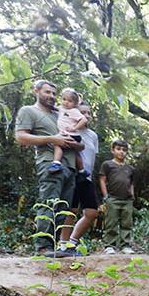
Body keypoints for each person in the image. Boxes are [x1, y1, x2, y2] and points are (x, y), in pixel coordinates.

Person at [14, 80, 82, 255]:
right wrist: (52, 139)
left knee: (63, 208)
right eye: (47, 92)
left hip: (70, 165)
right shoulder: (29, 111)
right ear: (36, 91)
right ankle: (43, 246)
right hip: (50, 163)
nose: (51, 96)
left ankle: (54, 246)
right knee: (49, 203)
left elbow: (79, 138)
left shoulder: (60, 113)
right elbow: (21, 137)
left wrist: (74, 143)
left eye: (53, 93)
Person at [59, 101, 99, 256]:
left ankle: (72, 242)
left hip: (87, 177)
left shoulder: (93, 135)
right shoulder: (68, 130)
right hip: (73, 175)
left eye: (89, 113)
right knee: (71, 210)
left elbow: (91, 157)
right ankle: (63, 246)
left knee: (92, 213)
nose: (86, 115)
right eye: (83, 112)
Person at [99, 140, 136, 254]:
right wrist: (106, 196)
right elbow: (102, 180)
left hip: (127, 200)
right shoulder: (107, 164)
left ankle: (126, 245)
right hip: (112, 198)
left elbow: (131, 183)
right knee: (111, 222)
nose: (121, 152)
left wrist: (132, 195)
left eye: (124, 150)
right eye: (118, 149)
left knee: (127, 223)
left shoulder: (130, 168)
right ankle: (110, 245)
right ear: (112, 150)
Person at [48, 88, 87, 174]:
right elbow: (55, 108)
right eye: (64, 99)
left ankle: (56, 163)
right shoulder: (62, 108)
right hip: (68, 134)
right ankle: (82, 170)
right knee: (75, 153)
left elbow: (84, 120)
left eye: (70, 101)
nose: (66, 102)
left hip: (70, 134)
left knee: (57, 145)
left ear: (75, 103)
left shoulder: (74, 111)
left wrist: (75, 128)